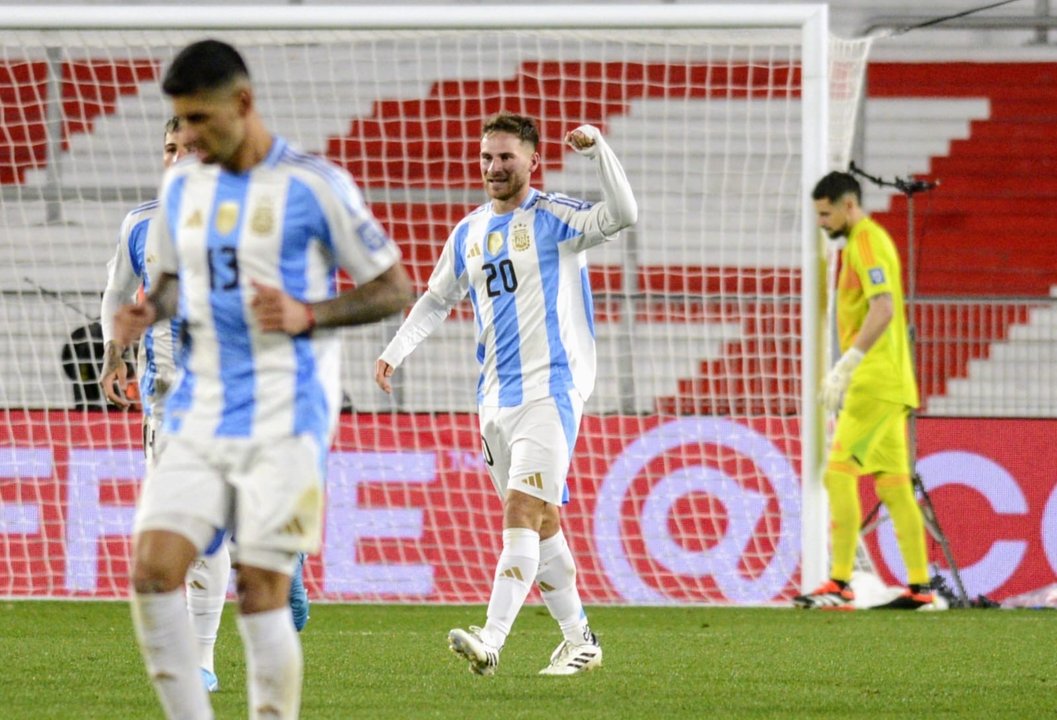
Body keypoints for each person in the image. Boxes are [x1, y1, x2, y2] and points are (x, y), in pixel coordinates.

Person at [113, 40, 412, 719]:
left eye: (198, 120)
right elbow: (165, 282)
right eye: (178, 123)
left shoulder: (313, 185)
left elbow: (393, 287)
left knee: (259, 590)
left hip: (286, 415)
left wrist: (312, 312)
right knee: (153, 572)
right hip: (196, 407)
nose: (186, 137)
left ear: (242, 105)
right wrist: (144, 313)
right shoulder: (184, 184)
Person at [375, 111, 637, 675]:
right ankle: (580, 640)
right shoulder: (468, 232)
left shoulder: (554, 217)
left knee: (521, 509)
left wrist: (599, 152)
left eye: (507, 157)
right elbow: (436, 298)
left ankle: (490, 639)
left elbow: (623, 214)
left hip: (551, 391)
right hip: (493, 399)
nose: (495, 167)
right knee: (542, 523)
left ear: (532, 161)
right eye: (488, 157)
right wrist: (394, 351)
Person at [99, 117, 311, 695]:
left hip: (242, 397)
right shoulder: (141, 224)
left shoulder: (248, 221)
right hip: (166, 405)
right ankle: (202, 660)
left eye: (189, 147)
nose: (178, 158)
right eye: (169, 148)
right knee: (189, 535)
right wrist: (114, 352)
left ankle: (264, 573)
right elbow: (117, 293)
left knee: (225, 534)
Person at [794, 171, 933, 611]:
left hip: (874, 379)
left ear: (847, 205)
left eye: (824, 213)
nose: (821, 222)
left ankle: (839, 583)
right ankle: (920, 587)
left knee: (838, 473)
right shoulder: (864, 242)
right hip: (893, 380)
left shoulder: (866, 241)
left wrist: (848, 363)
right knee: (893, 486)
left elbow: (885, 307)